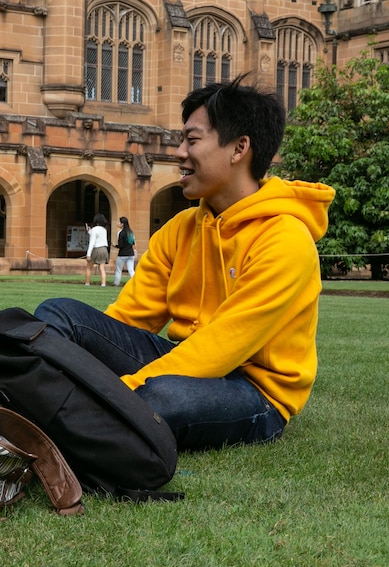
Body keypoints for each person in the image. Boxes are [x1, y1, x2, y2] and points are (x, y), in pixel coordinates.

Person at [34, 76, 335, 451]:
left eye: (192, 141)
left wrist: (122, 388)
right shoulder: (180, 229)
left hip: (254, 391)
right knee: (59, 315)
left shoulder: (286, 240)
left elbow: (220, 348)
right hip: (182, 360)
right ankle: (20, 408)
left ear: (240, 148)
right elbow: (125, 321)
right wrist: (90, 361)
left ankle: (42, 425)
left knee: (162, 398)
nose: (178, 153)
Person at [84, 214, 109, 286]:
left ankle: (87, 283)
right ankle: (103, 284)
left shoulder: (94, 230)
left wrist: (88, 254)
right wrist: (89, 231)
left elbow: (92, 242)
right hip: (104, 249)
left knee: (89, 267)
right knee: (102, 267)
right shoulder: (104, 230)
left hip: (96, 249)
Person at [113, 216, 137, 287]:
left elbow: (120, 245)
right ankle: (136, 282)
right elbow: (133, 243)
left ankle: (116, 283)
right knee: (131, 270)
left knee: (118, 270)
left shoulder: (121, 233)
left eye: (119, 222)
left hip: (122, 254)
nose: (117, 223)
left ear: (122, 224)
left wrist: (115, 245)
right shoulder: (131, 232)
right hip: (130, 253)